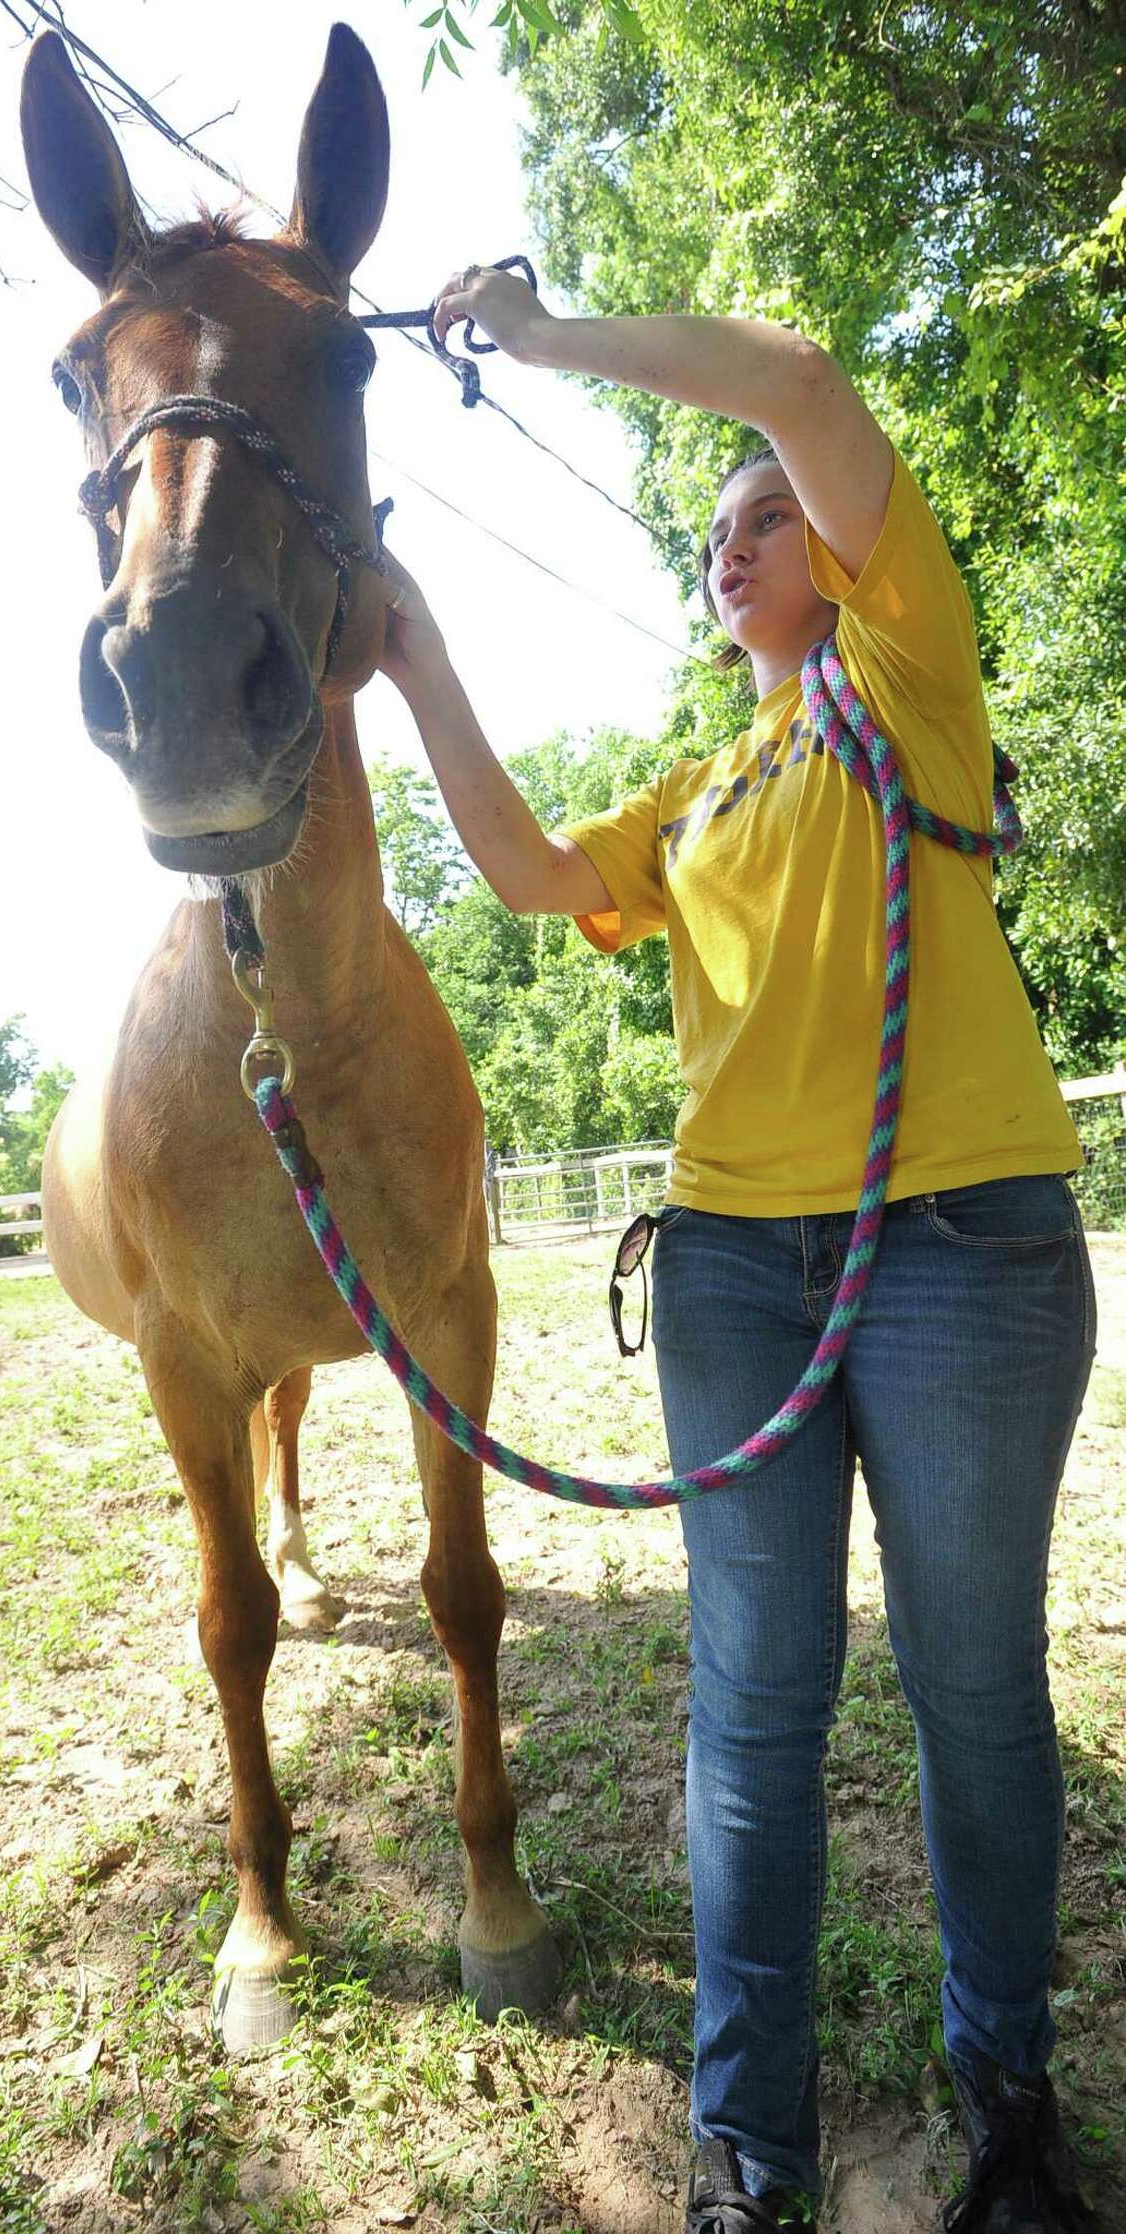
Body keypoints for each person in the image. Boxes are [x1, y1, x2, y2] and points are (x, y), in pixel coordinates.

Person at [375, 265, 1099, 2234]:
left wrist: (537, 343)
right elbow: (528, 873)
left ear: (832, 544)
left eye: (758, 515)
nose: (732, 543)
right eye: (712, 535)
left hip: (961, 1241)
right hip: (728, 1276)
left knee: (973, 1686)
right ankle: (749, 2153)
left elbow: (795, 384)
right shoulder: (697, 794)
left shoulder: (904, 666)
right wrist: (416, 646)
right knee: (754, 1710)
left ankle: (1008, 2109)